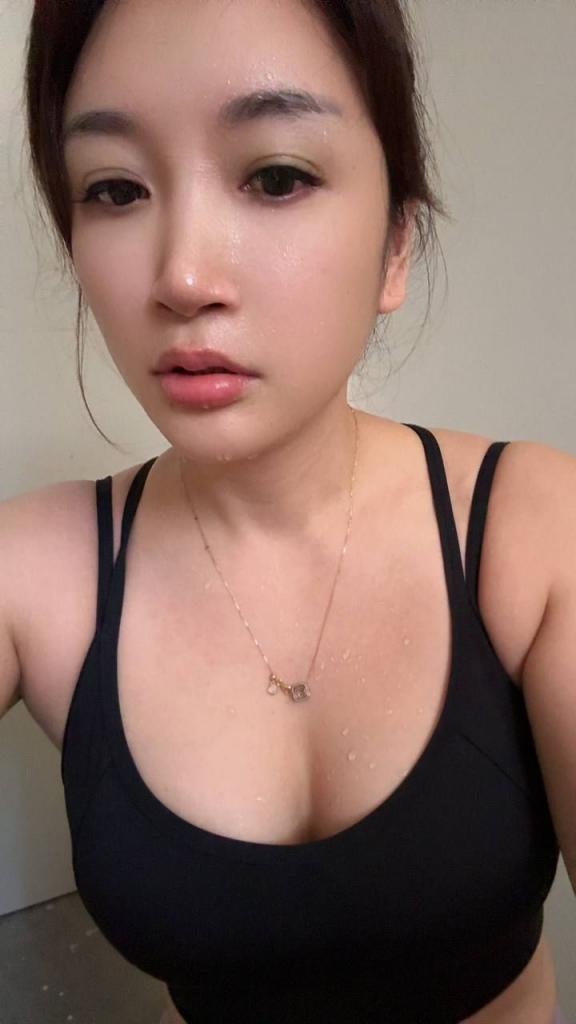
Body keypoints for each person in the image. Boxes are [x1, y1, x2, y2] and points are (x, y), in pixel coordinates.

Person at [1, 0, 574, 1021]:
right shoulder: (34, 574)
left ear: (395, 243)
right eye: (116, 188)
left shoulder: (536, 531)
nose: (182, 277)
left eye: (275, 176)